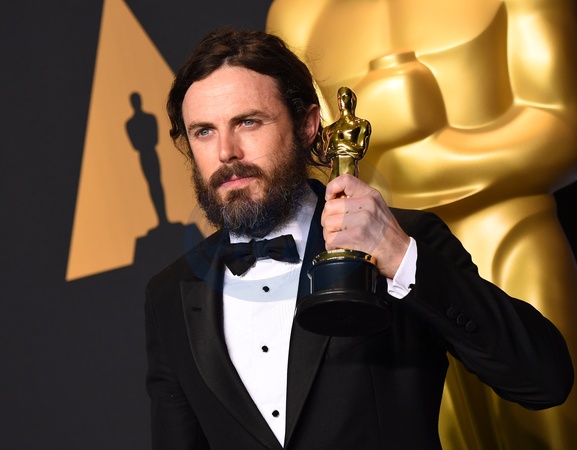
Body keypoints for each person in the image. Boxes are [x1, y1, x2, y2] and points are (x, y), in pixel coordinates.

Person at [145, 29, 573, 450]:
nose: (226, 152)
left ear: (308, 125)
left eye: (248, 122)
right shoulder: (170, 293)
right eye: (203, 131)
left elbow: (544, 381)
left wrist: (400, 255)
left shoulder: (405, 240)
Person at [267, 1, 577, 448]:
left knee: (548, 426)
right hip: (376, 263)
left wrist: (426, 155)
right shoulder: (298, 11)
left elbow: (561, 125)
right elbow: (311, 154)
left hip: (506, 233)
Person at [322, 86, 371, 180]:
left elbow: (359, 151)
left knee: (349, 187)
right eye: (339, 98)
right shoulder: (328, 129)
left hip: (350, 170)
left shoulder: (361, 124)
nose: (341, 101)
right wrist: (345, 147)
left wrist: (338, 144)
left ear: (352, 100)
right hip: (334, 173)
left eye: (345, 96)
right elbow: (327, 154)